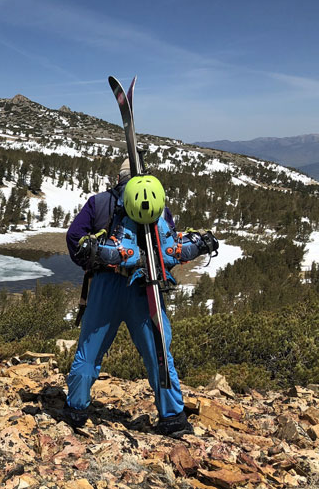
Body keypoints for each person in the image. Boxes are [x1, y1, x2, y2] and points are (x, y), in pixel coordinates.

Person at [62, 159, 198, 437]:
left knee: (89, 351)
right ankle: (172, 416)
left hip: (104, 286)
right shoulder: (156, 206)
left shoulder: (99, 203)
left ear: (118, 177)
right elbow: (168, 247)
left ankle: (76, 410)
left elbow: (75, 237)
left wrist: (90, 264)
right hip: (145, 288)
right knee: (158, 352)